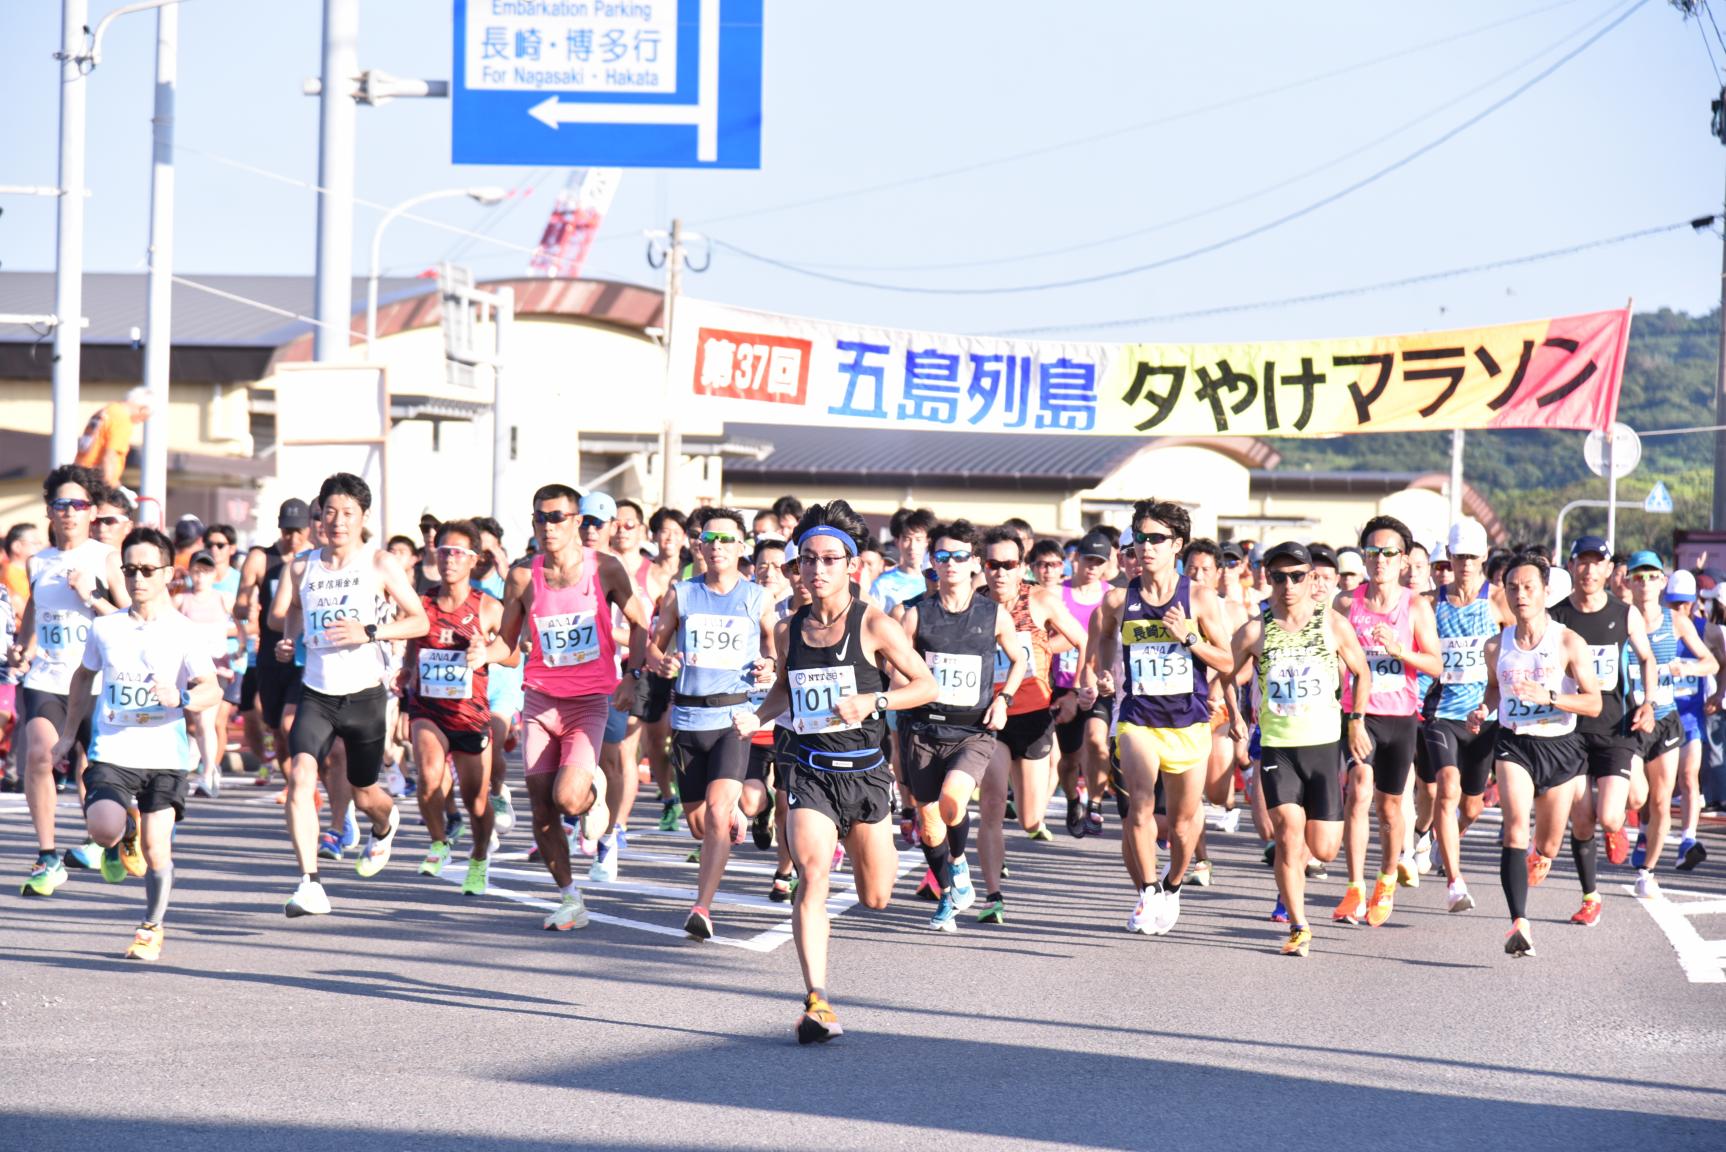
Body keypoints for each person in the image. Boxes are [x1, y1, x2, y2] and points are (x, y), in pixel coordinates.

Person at [732, 500, 937, 1044]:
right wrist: (756, 715)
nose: (817, 570)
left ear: (851, 566)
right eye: (808, 560)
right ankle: (817, 1001)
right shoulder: (787, 628)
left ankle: (862, 844)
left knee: (876, 898)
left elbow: (925, 685)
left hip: (866, 773)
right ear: (798, 567)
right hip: (809, 770)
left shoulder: (875, 623)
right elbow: (784, 691)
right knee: (812, 877)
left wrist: (874, 702)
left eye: (829, 560)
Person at [49, 526, 220, 960]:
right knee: (102, 830)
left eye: (147, 569)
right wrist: (68, 735)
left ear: (167, 573)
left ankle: (151, 927)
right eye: (130, 570)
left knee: (157, 848)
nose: (138, 579)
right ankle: (124, 828)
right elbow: (83, 676)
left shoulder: (184, 631)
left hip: (165, 757)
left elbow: (211, 689)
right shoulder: (106, 629)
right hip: (114, 751)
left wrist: (180, 697)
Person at [485, 483, 649, 931]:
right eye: (540, 517)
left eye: (557, 516)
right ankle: (570, 897)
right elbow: (507, 644)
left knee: (567, 797)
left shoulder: (606, 569)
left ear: (578, 522)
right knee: (542, 808)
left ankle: (591, 796)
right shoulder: (521, 576)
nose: (547, 525)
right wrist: (484, 654)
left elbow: (639, 625)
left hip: (588, 703)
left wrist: (632, 678)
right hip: (539, 701)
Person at [268, 473, 429, 917]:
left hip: (364, 697)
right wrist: (288, 640)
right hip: (317, 693)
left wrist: (370, 631)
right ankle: (310, 882)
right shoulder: (301, 566)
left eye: (348, 514)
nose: (337, 522)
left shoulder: (378, 564)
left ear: (362, 518)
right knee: (301, 774)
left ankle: (385, 820)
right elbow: (290, 614)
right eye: (330, 513)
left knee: (364, 792)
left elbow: (420, 622)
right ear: (320, 516)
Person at [1082, 500, 1234, 936]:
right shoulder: (1117, 600)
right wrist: (1106, 676)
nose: (1145, 547)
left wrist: (1187, 637)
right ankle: (1148, 891)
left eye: (1156, 539)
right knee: (1140, 804)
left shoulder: (1199, 598)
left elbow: (1225, 660)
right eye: (1139, 539)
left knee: (1185, 825)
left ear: (1177, 545)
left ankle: (1172, 883)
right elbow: (1103, 645)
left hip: (1188, 724)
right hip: (1138, 719)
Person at [1225, 542, 1374, 957]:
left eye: (1296, 576)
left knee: (1324, 848)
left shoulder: (1333, 623)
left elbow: (1362, 673)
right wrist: (1235, 715)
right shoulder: (1256, 629)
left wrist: (1356, 720)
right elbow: (1226, 673)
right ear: (1267, 579)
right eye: (1278, 577)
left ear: (1311, 579)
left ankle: (1308, 878)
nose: (1287, 585)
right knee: (1288, 833)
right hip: (1278, 748)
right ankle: (1299, 925)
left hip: (1324, 746)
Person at [646, 507, 777, 939]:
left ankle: (702, 907)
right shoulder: (681, 594)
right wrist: (661, 662)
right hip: (687, 717)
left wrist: (769, 665)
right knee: (701, 824)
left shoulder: (758, 597)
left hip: (733, 717)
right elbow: (654, 646)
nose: (717, 547)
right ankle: (741, 815)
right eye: (709, 539)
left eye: (726, 540)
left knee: (719, 814)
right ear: (698, 546)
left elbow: (776, 648)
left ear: (742, 548)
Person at [8, 465, 129, 896]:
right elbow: (36, 616)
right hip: (47, 677)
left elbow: (131, 620)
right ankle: (48, 855)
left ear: (92, 511)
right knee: (39, 754)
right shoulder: (37, 561)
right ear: (50, 510)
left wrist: (91, 596)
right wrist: (24, 646)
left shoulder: (105, 557)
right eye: (61, 504)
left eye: (78, 504)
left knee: (93, 772)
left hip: (96, 680)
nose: (70, 512)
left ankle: (112, 841)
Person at [1474, 551, 1602, 958]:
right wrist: (1483, 709)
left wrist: (1550, 697)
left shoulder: (1567, 641)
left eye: (1529, 587)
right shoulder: (1496, 645)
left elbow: (1594, 703)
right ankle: (1519, 923)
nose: (1520, 594)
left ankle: (1538, 856)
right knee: (1514, 828)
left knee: (1546, 846)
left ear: (1546, 592)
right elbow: (1494, 692)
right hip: (1516, 744)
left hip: (1561, 748)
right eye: (1512, 587)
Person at [899, 519, 1024, 932]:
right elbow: (895, 668)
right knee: (929, 822)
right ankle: (952, 885)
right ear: (932, 562)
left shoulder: (993, 614)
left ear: (974, 563)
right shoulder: (916, 615)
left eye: (959, 556)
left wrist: (1004, 699)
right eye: (942, 556)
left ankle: (957, 867)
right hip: (922, 730)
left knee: (953, 800)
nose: (950, 563)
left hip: (972, 731)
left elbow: (1021, 659)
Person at [1331, 516, 1442, 928]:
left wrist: (1400, 650)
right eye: (1372, 552)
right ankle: (1355, 887)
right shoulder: (1346, 603)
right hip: (1359, 713)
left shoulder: (1415, 606)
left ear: (1403, 561)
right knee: (1359, 789)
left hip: (1401, 717)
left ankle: (1386, 879)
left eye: (1388, 553)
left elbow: (1435, 664)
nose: (1380, 560)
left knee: (1391, 808)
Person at [976, 524, 1084, 923]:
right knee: (990, 804)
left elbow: (1081, 638)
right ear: (982, 567)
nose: (1000, 572)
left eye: (1008, 564)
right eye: (993, 564)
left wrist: (1076, 685)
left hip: (1035, 714)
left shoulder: (1040, 600)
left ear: (1021, 566)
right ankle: (993, 895)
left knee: (1029, 817)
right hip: (991, 716)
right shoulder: (974, 605)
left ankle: (1032, 818)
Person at [1549, 535, 1657, 921]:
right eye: (1583, 562)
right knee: (1581, 818)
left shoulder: (1623, 613)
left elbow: (1647, 658)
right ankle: (1590, 897)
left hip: (1615, 727)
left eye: (1598, 563)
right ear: (1572, 565)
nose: (1590, 570)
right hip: (1570, 731)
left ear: (1610, 570)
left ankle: (1618, 825)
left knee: (1611, 815)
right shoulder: (1557, 616)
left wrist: (1648, 701)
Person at [404, 519, 512, 895]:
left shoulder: (487, 607)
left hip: (469, 714)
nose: (448, 559)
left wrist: (487, 652)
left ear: (473, 560)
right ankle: (438, 842)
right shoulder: (422, 604)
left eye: (457, 553)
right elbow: (410, 644)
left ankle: (480, 857)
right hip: (428, 708)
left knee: (476, 800)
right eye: (443, 551)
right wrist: (405, 673)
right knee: (429, 774)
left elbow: (514, 655)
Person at [1419, 519, 1513, 913]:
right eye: (1458, 557)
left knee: (1472, 807)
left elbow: (1521, 639)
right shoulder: (1430, 602)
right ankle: (1455, 883)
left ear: (1484, 558)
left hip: (1484, 716)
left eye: (1473, 557)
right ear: (1449, 558)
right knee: (1447, 785)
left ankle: (1444, 842)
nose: (1465, 565)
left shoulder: (1498, 599)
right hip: (1442, 713)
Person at [1619, 552, 1715, 898]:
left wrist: (1682, 667)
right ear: (1628, 582)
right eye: (1638, 576)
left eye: (1652, 576)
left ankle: (1647, 872)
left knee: (1661, 800)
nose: (1645, 583)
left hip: (1665, 719)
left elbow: (1710, 663)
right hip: (1628, 722)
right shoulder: (1619, 619)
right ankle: (1638, 827)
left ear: (1662, 581)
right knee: (1635, 796)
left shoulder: (1675, 621)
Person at [234, 499, 312, 789]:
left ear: (308, 528)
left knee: (292, 724)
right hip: (269, 653)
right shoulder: (260, 558)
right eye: (287, 531)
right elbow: (240, 604)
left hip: (303, 654)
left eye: (299, 531)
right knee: (277, 727)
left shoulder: (313, 560)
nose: (293, 538)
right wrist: (244, 609)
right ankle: (293, 781)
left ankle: (300, 786)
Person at [1051, 529, 1114, 838]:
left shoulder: (1112, 597)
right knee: (1069, 759)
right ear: (1075, 559)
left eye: (1099, 561)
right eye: (1088, 559)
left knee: (1096, 740)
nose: (1092, 566)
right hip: (1062, 688)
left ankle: (1096, 804)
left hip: (1098, 684)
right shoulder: (1056, 595)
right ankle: (1074, 798)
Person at [174, 549, 236, 797]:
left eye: (206, 571)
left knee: (205, 721)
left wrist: (239, 646)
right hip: (188, 668)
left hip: (215, 668)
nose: (201, 577)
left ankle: (208, 772)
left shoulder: (223, 598)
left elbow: (243, 624)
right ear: (190, 572)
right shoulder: (181, 601)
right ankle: (203, 767)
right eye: (197, 571)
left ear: (214, 574)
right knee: (193, 725)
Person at [1667, 571, 1713, 870]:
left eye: (1684, 603)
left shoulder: (1705, 630)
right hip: (1661, 715)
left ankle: (1688, 839)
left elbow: (1717, 663)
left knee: (1688, 777)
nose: (1680, 609)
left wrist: (1717, 694)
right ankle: (1645, 833)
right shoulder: (1658, 625)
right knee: (1656, 786)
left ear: (1694, 601)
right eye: (1674, 603)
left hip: (1691, 716)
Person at [73, 387, 151, 488]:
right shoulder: (122, 420)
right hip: (95, 479)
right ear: (142, 409)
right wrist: (110, 488)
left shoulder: (107, 410)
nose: (141, 422)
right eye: (144, 418)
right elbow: (110, 456)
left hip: (79, 473)